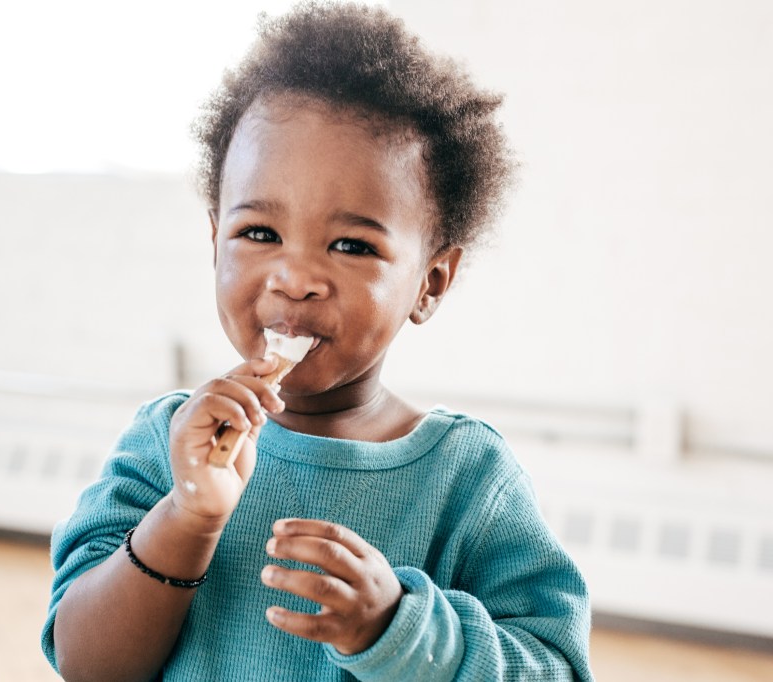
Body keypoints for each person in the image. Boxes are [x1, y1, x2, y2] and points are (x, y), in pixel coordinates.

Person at [42, 2, 593, 680]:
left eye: (351, 244)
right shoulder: (164, 442)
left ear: (431, 281)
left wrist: (398, 627)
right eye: (260, 233)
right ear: (215, 239)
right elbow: (88, 664)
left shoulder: (468, 482)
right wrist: (185, 520)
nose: (296, 277)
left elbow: (554, 668)